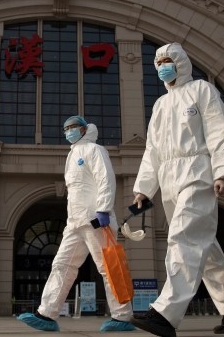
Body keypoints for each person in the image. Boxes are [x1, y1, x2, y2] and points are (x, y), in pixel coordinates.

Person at [130, 43, 224, 337]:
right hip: (169, 177)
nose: (162, 66)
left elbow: (219, 130)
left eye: (167, 60)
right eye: (158, 62)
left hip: (199, 171)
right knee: (205, 247)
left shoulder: (202, 90)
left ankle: (165, 313)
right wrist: (144, 188)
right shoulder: (160, 104)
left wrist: (223, 172)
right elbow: (152, 150)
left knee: (183, 237)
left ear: (181, 62)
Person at [17, 116, 136, 332]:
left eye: (73, 127)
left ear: (84, 129)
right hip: (74, 222)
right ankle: (47, 313)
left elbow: (105, 179)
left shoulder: (95, 150)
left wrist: (103, 208)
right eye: (66, 128)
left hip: (96, 219)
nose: (69, 131)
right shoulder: (72, 155)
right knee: (61, 264)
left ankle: (122, 316)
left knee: (108, 267)